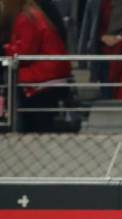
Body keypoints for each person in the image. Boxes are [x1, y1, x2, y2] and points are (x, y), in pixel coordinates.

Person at [2, 0, 72, 132]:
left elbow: (24, 52)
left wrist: (5, 49)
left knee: (35, 127)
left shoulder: (26, 18)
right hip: (50, 75)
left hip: (43, 79)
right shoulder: (33, 13)